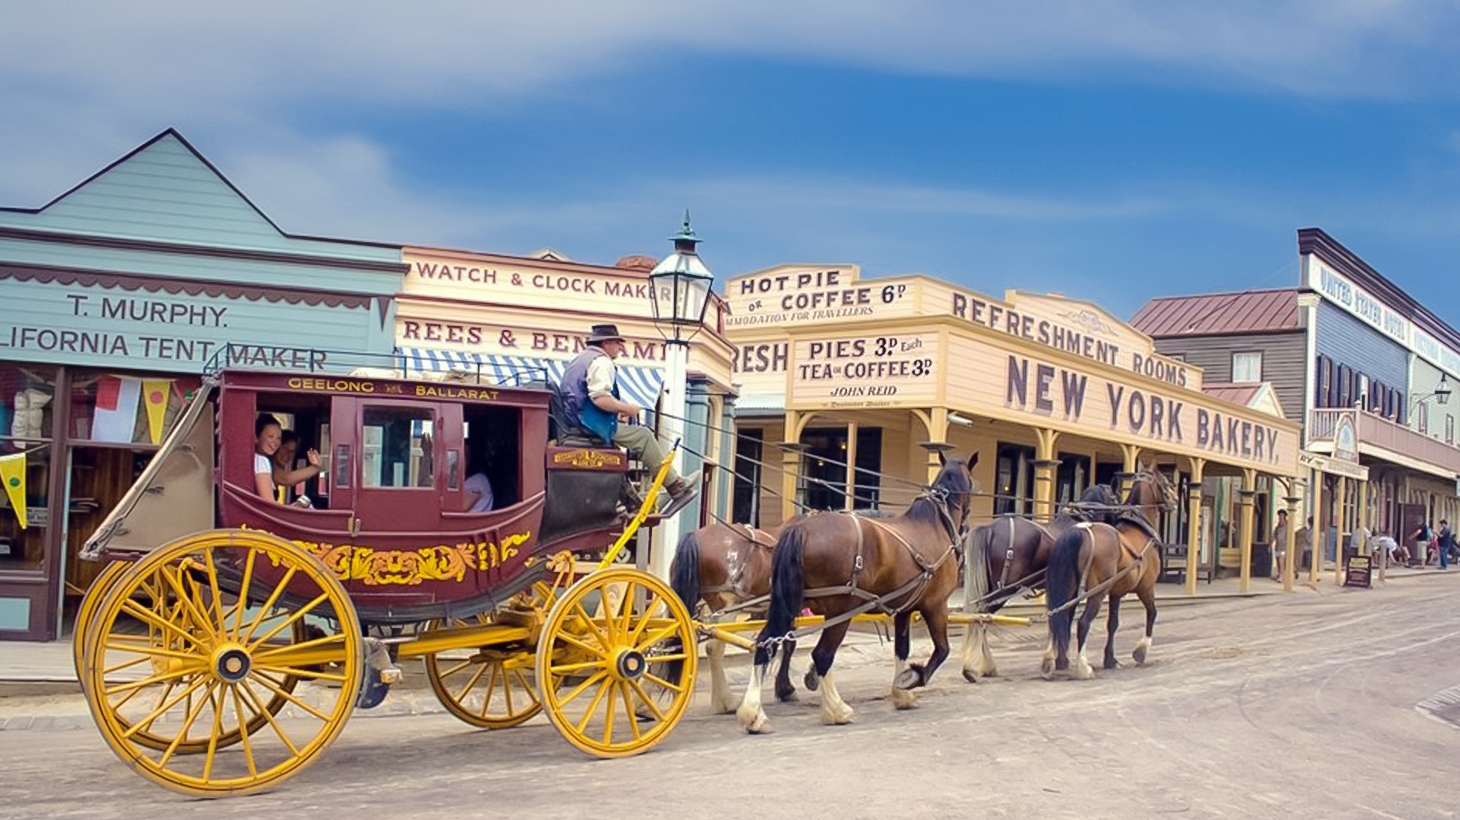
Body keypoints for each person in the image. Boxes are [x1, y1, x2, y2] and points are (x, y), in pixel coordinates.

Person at [561, 324, 699, 505]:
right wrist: (627, 409)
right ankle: (675, 485)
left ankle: (631, 501)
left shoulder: (581, 359)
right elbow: (599, 398)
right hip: (587, 425)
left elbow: (584, 398)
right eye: (617, 343)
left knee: (619, 450)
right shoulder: (602, 362)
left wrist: (615, 414)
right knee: (644, 437)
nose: (620, 347)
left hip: (577, 421)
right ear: (606, 343)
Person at [254, 414, 322, 505]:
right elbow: (286, 479)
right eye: (270, 437)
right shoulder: (261, 460)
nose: (275, 443)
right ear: (257, 437)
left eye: (278, 438)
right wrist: (316, 468)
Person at [1270, 509, 1288, 581]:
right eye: (1279, 516)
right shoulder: (1277, 527)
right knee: (1277, 561)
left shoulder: (1287, 527)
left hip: (1284, 546)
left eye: (1282, 516)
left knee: (1281, 561)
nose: (1280, 518)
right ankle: (1279, 573)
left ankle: (1281, 575)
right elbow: (1274, 536)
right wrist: (1270, 545)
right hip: (1277, 546)